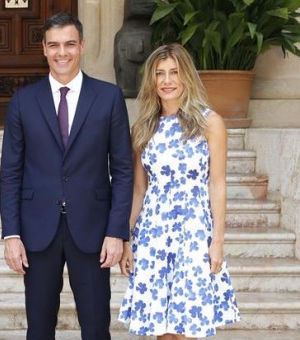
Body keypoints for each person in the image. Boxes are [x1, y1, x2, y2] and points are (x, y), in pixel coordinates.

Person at [0, 12, 134, 340]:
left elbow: (123, 170)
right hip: (37, 231)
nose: (63, 53)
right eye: (54, 45)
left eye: (70, 44)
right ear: (44, 49)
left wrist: (117, 232)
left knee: (96, 326)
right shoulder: (22, 101)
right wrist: (12, 234)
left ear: (82, 46)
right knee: (40, 328)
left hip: (93, 230)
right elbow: (10, 174)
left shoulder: (109, 97)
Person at [117, 43, 241, 338]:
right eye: (160, 74)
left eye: (174, 72)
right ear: (152, 80)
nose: (167, 80)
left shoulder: (210, 123)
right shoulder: (144, 128)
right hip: (154, 233)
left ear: (186, 76)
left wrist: (218, 241)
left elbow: (217, 183)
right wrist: (127, 239)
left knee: (188, 323)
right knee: (161, 326)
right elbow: (138, 190)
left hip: (194, 232)